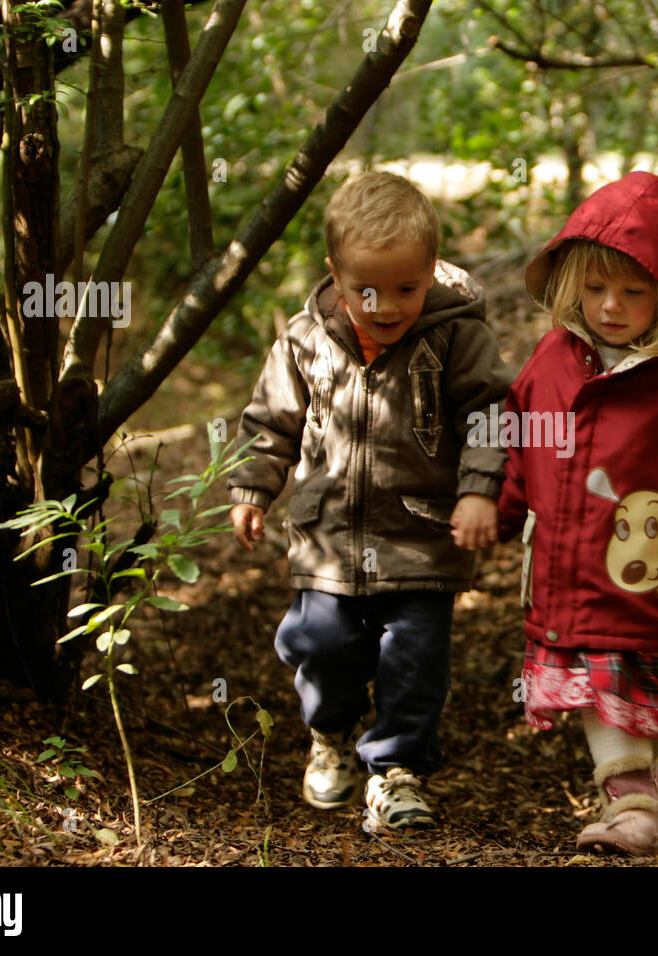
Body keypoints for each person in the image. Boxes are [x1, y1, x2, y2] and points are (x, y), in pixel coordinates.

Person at [227, 170, 510, 831]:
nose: (386, 306)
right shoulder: (306, 340)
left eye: (406, 288)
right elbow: (271, 421)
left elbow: (492, 415)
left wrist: (478, 491)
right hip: (329, 540)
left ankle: (397, 770)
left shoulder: (454, 336)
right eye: (367, 290)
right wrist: (251, 487)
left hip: (423, 539)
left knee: (415, 658)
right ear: (336, 271)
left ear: (431, 271)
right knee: (320, 644)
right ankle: (329, 735)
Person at [496, 171, 658, 856]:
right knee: (599, 694)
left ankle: (650, 814)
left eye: (634, 291)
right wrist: (495, 514)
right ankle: (636, 810)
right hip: (569, 583)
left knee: (653, 711)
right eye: (594, 288)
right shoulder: (550, 363)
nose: (611, 306)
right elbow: (521, 447)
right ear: (569, 284)